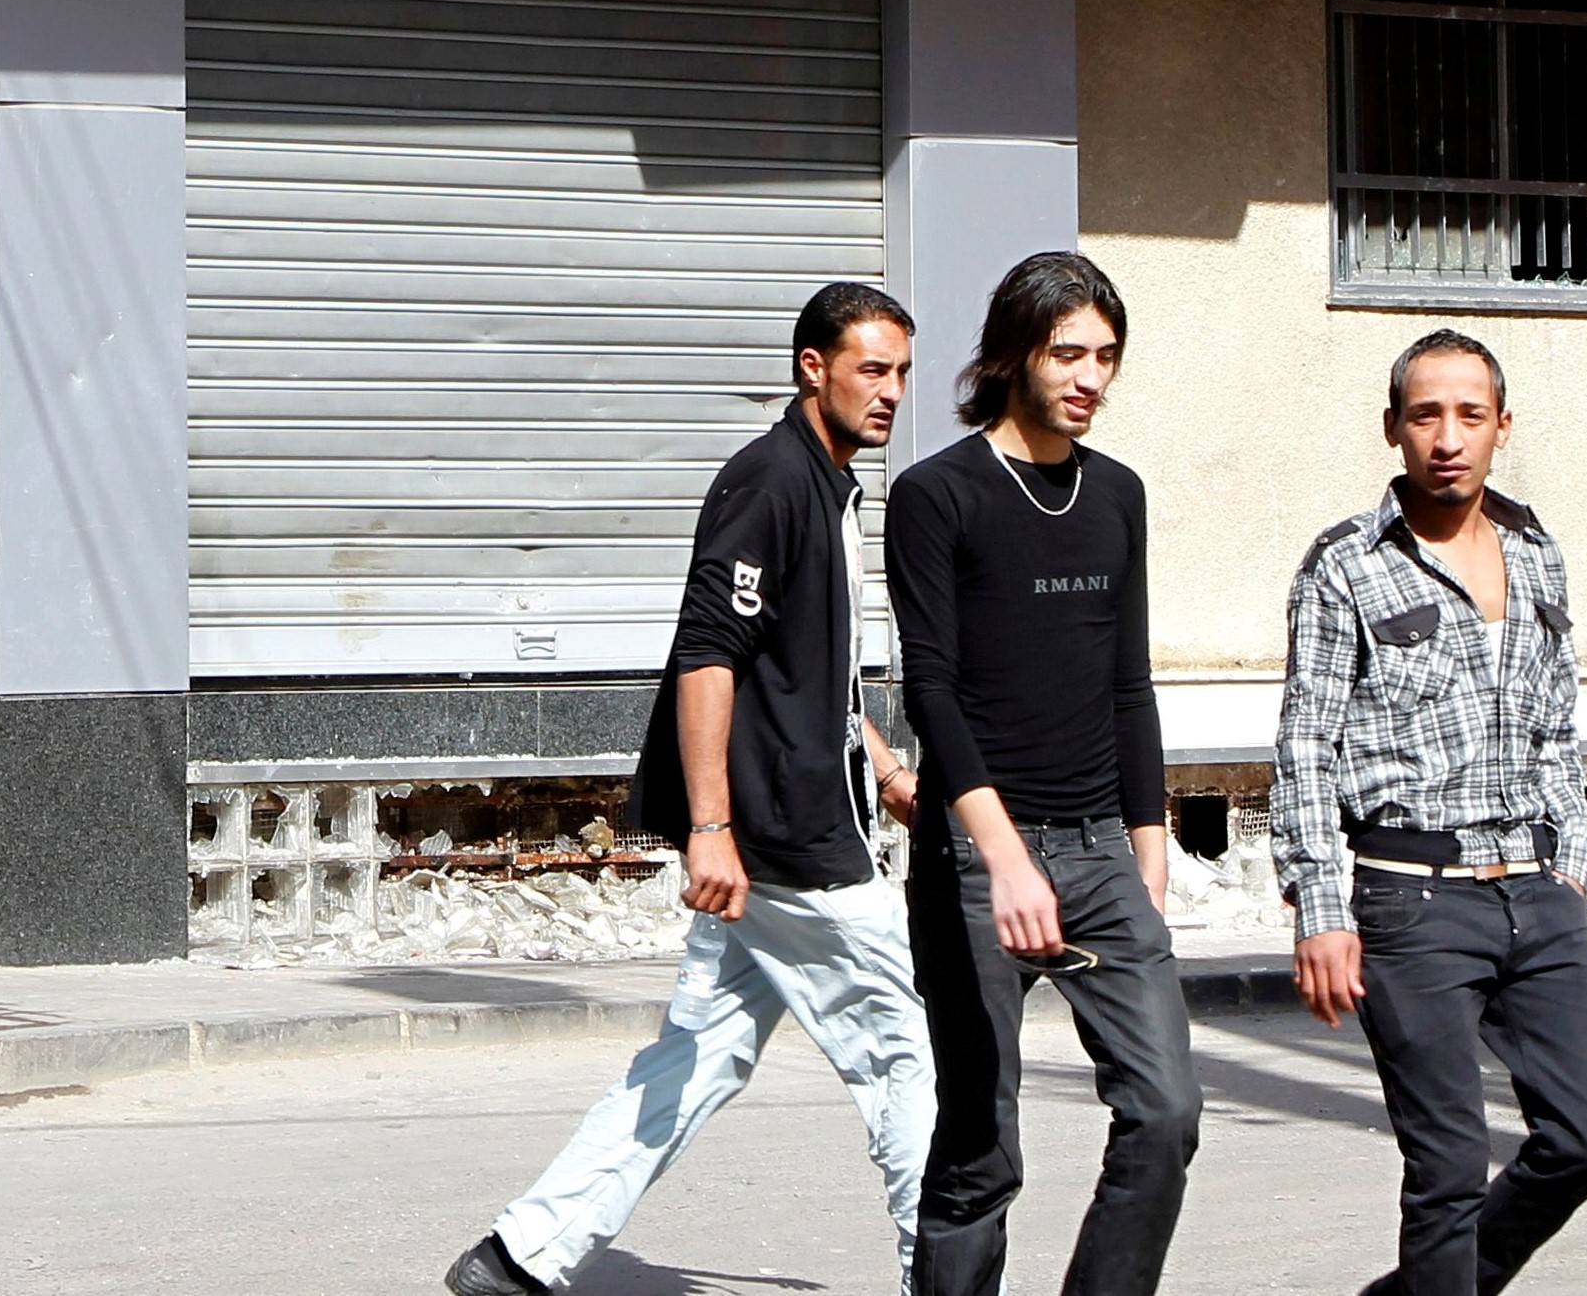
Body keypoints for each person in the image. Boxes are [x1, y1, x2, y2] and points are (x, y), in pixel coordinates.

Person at [447, 283, 935, 1296]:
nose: (890, 391)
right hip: (788, 843)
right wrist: (708, 825)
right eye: (871, 370)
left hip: (784, 829)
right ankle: (947, 1279)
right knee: (907, 1051)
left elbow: (805, 677)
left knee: (698, 1055)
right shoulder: (769, 482)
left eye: (900, 372)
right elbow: (708, 656)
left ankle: (519, 1255)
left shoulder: (829, 485)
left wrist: (885, 768)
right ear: (812, 368)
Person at [1271, 330, 1587, 1296]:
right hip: (1410, 898)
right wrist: (1320, 908)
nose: (1447, 437)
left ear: (1502, 425)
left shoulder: (1535, 551)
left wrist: (1570, 859)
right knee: (1449, 1169)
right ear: (1393, 427)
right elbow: (1304, 743)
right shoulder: (1346, 563)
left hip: (1535, 888)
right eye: (1425, 414)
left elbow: (1555, 727)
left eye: (1469, 414)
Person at [885, 251, 1197, 1296]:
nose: (1088, 377)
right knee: (979, 1147)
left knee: (1165, 1111)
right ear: (1013, 353)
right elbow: (931, 691)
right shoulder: (936, 494)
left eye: (1104, 356)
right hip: (976, 862)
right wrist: (1004, 857)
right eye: (1067, 353)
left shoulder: (1116, 494)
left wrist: (1148, 855)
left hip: (1100, 848)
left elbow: (1127, 685)